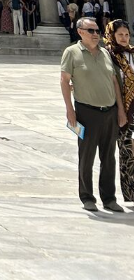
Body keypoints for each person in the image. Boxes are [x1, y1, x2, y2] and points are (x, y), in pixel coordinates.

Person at [60, 16, 127, 212]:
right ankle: (87, 197)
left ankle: (109, 198)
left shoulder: (105, 53)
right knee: (87, 156)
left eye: (97, 30)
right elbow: (64, 81)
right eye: (91, 31)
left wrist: (120, 110)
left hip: (109, 111)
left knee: (109, 157)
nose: (96, 34)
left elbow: (114, 82)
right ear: (80, 32)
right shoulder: (72, 52)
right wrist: (70, 110)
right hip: (86, 112)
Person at [104, 19, 134, 206]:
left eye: (126, 34)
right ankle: (131, 193)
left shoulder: (133, 53)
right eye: (120, 34)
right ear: (112, 35)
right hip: (122, 110)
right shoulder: (108, 55)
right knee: (127, 151)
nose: (124, 38)